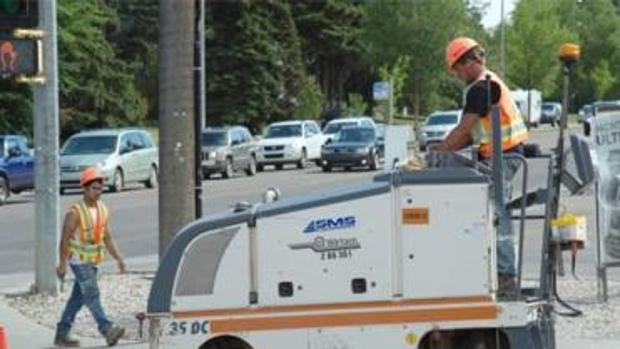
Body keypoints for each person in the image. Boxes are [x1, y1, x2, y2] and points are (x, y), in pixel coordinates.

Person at [431, 37, 529, 295]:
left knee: (496, 211)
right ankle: (493, 269)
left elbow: (464, 131)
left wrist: (437, 155)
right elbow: (467, 131)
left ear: (470, 61)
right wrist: (440, 149)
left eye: (458, 68)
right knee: (487, 210)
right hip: (501, 155)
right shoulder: (486, 82)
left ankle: (506, 274)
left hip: (503, 157)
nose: (457, 74)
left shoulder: (482, 88)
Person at [54, 167, 127, 347]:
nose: (98, 192)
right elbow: (64, 240)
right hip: (78, 260)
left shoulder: (102, 209)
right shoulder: (75, 212)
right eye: (94, 188)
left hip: (93, 261)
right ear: (84, 189)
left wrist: (119, 258)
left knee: (78, 298)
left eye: (100, 189)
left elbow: (107, 237)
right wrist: (62, 264)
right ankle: (107, 329)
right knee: (92, 293)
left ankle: (62, 334)